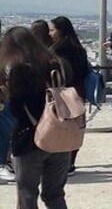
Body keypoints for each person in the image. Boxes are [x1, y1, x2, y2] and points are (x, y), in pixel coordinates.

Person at [0, 26, 71, 208]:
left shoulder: (20, 71)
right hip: (61, 137)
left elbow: (17, 110)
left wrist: (7, 93)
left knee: (27, 195)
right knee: (55, 196)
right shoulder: (57, 65)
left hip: (30, 138)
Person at [48, 16, 91, 175]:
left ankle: (60, 162)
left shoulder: (55, 51)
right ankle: (71, 162)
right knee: (75, 128)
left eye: (53, 30)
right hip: (78, 92)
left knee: (58, 127)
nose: (50, 33)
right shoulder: (79, 50)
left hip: (61, 93)